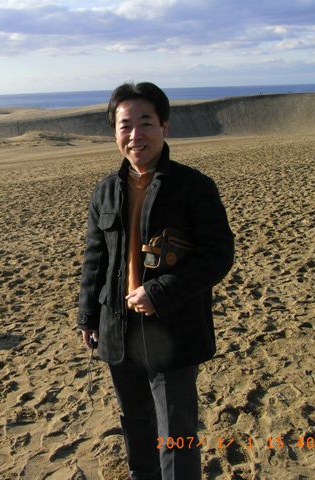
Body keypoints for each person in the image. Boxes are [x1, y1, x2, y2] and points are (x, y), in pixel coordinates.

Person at [77, 82, 234, 480]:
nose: (135, 135)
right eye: (125, 125)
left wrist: (160, 292)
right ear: (114, 132)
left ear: (164, 126)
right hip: (118, 330)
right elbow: (95, 260)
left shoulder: (193, 187)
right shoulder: (105, 192)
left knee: (176, 433)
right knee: (137, 424)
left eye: (145, 123)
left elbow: (217, 256)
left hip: (172, 331)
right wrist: (88, 318)